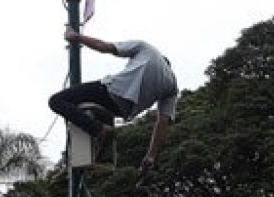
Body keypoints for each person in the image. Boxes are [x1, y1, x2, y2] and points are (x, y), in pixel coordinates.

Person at [48, 29, 179, 168]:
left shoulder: (146, 49)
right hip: (119, 111)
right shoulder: (172, 86)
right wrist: (151, 155)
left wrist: (76, 37)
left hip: (109, 91)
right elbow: (162, 122)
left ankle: (98, 130)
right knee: (93, 114)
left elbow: (103, 46)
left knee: (56, 101)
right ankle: (102, 155)